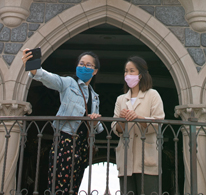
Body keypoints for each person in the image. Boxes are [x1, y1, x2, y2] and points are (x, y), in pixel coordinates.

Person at [23, 49, 103, 195]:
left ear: (95, 71)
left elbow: (99, 128)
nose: (83, 67)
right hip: (66, 139)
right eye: (81, 64)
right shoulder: (69, 83)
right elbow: (50, 78)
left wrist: (95, 122)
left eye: (88, 65)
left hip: (83, 144)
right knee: (60, 185)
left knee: (75, 185)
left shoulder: (95, 96)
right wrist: (34, 69)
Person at [113, 56, 165, 195]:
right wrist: (122, 120)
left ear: (140, 75)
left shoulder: (153, 95)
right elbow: (115, 129)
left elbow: (158, 123)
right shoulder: (120, 99)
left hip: (147, 157)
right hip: (126, 158)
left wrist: (138, 118)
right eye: (126, 71)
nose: (128, 74)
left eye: (131, 71)